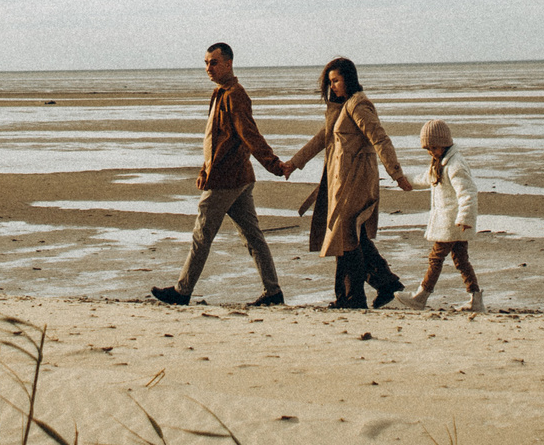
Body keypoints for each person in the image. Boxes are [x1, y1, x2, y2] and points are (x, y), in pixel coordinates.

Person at [151, 42, 288, 307]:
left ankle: (182, 292)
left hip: (228, 179)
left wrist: (274, 164)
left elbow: (250, 135)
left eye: (213, 62)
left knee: (202, 234)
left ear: (228, 63)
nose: (208, 68)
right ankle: (273, 293)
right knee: (253, 238)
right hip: (233, 177)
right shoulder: (220, 93)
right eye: (205, 63)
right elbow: (216, 139)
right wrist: (205, 169)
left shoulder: (235, 95)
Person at [284, 56, 416, 309]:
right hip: (342, 182)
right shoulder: (342, 107)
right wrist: (294, 163)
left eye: (336, 80)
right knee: (352, 237)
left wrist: (396, 174)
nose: (332, 86)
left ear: (349, 79)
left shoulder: (358, 105)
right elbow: (321, 138)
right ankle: (383, 284)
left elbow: (380, 139)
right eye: (330, 82)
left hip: (356, 181)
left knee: (347, 237)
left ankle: (353, 298)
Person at [401, 118, 481, 311]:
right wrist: (406, 181)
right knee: (461, 261)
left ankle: (421, 296)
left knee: (436, 258)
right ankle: (476, 299)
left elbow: (467, 192)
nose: (431, 152)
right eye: (428, 149)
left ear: (445, 144)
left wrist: (465, 218)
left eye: (434, 148)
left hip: (452, 223)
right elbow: (426, 178)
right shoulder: (440, 163)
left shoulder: (455, 165)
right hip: (451, 224)